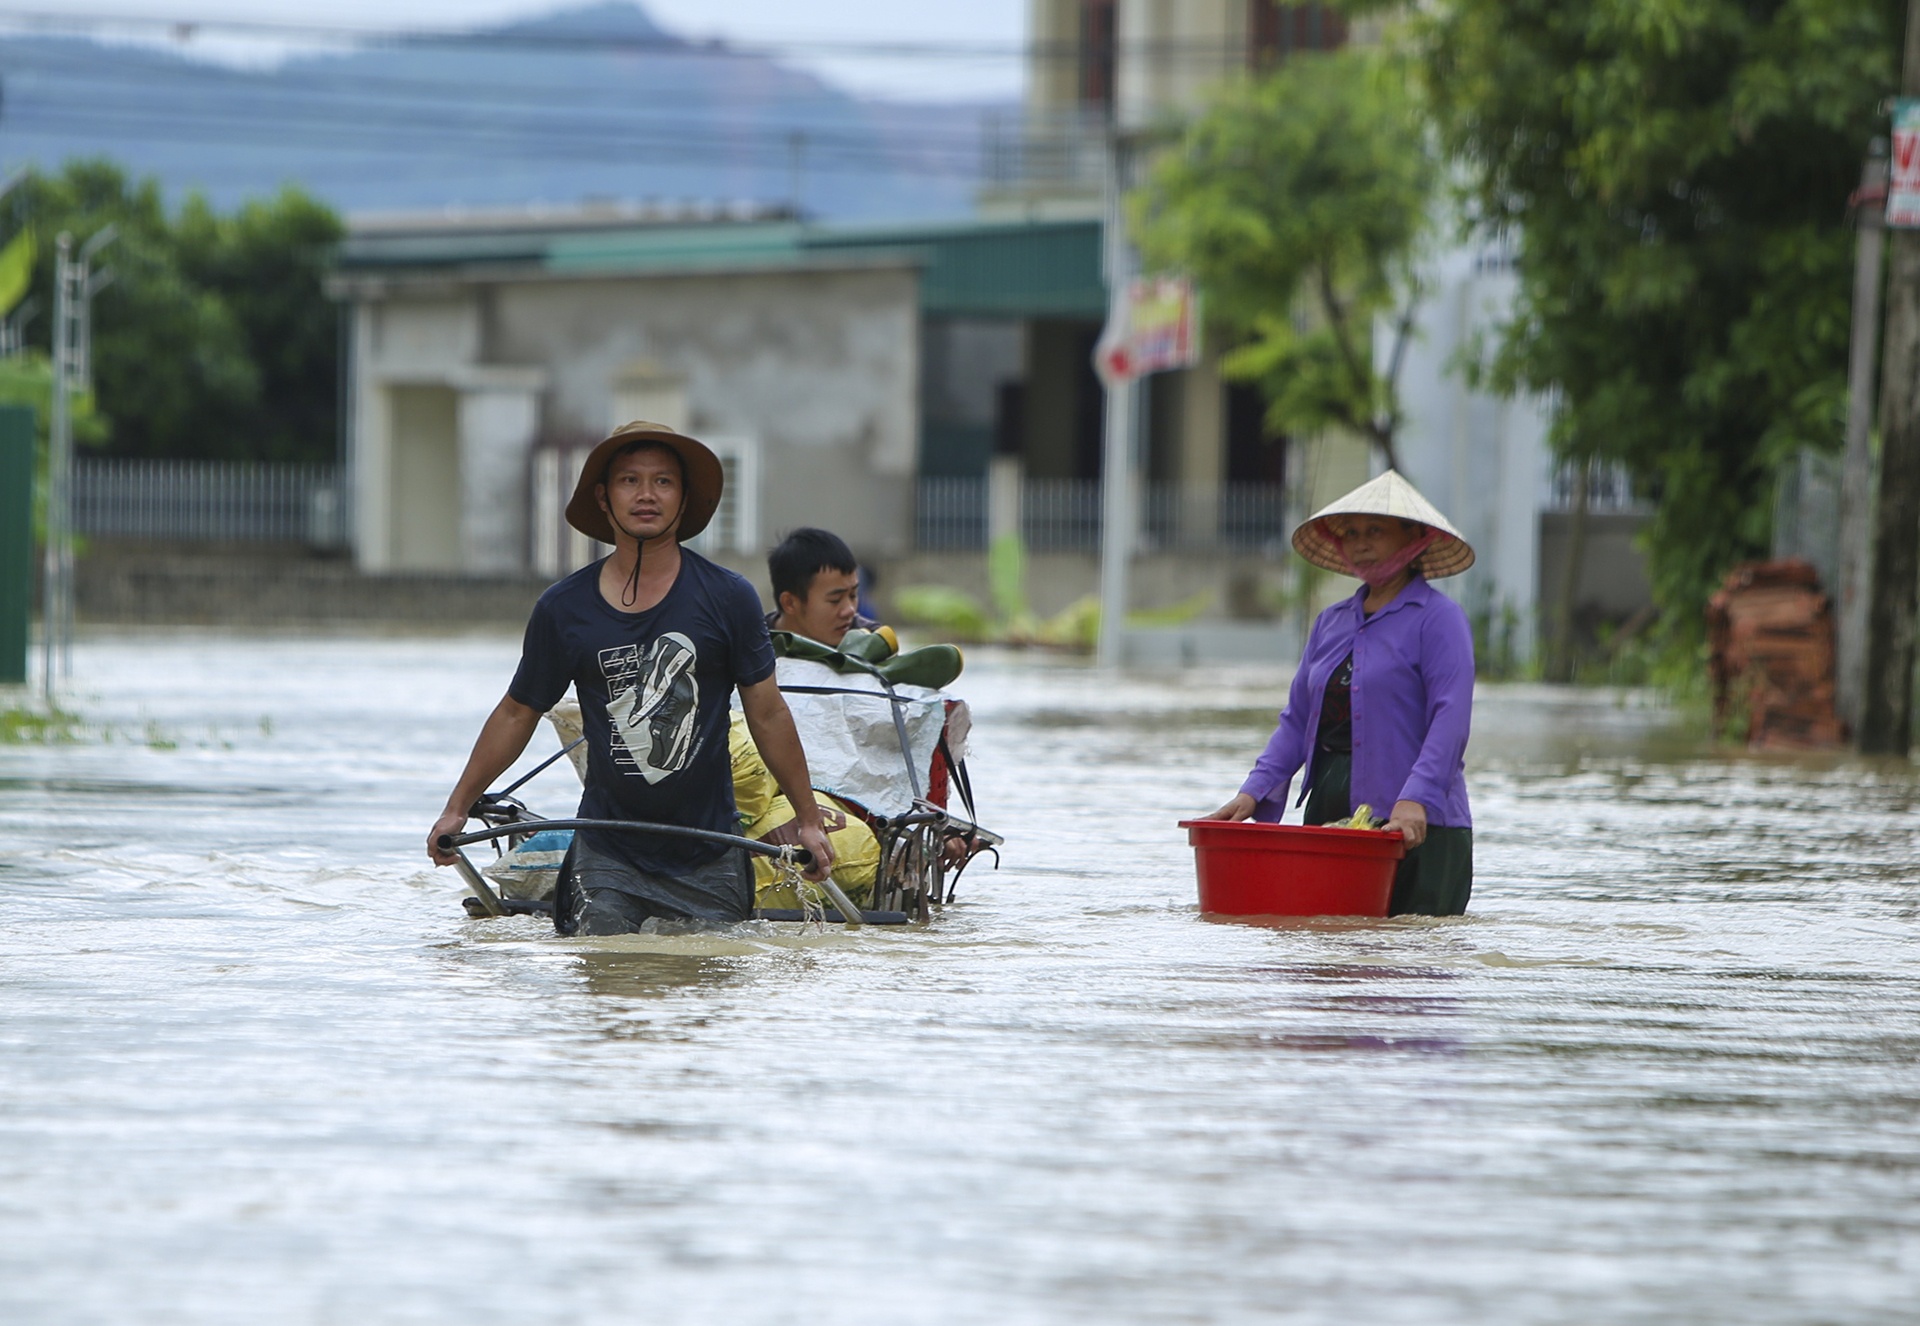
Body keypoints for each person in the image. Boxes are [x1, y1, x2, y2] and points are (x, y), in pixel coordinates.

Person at [427, 420, 833, 934]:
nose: (646, 495)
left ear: (683, 499)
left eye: (663, 481)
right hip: (607, 850)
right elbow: (517, 711)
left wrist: (808, 820)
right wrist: (456, 809)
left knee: (708, 973)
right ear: (603, 497)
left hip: (709, 849)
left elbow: (768, 713)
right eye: (629, 481)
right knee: (604, 962)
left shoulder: (729, 597)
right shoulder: (564, 608)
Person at [1203, 471, 1477, 917]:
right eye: (1350, 533)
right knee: (1332, 946)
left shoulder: (1439, 619)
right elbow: (1297, 720)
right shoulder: (1330, 623)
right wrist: (1252, 792)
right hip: (1332, 817)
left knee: (1416, 951)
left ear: (1414, 539)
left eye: (1375, 531)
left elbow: (1451, 720)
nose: (1360, 543)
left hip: (1420, 823)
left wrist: (1416, 799)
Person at [765, 526, 877, 647]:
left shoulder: (871, 642)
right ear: (790, 603)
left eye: (853, 595)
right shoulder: (755, 648)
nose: (849, 610)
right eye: (835, 600)